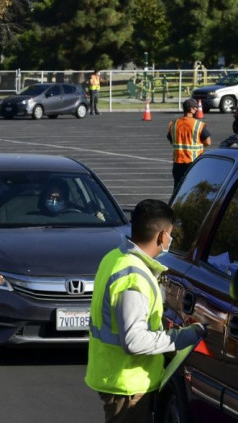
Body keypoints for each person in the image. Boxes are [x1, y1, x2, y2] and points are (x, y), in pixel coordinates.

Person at [85, 199, 206, 422]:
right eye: (170, 235)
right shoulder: (133, 277)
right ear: (162, 236)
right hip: (127, 385)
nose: (170, 240)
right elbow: (134, 341)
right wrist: (181, 338)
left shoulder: (114, 258)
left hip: (118, 378)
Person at [167, 98, 211, 189]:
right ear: (191, 109)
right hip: (193, 163)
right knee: (193, 189)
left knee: (178, 189)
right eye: (195, 108)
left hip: (178, 163)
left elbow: (170, 138)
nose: (196, 110)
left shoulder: (174, 124)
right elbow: (208, 142)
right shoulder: (198, 124)